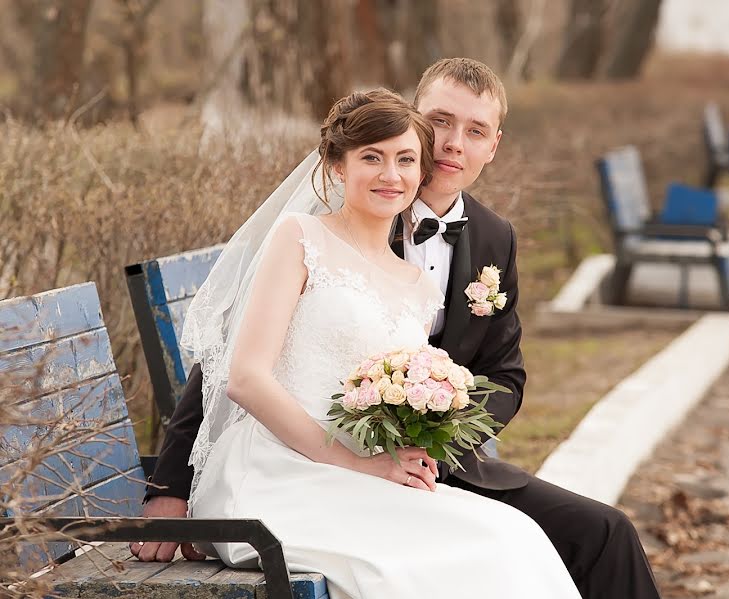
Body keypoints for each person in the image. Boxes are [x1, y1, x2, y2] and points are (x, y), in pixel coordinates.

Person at [136, 58, 660, 599]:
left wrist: (440, 429)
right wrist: (170, 485)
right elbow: (230, 362)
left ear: (492, 145)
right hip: (311, 461)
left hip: (435, 461)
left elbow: (504, 376)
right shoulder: (321, 229)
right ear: (412, 119)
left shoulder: (490, 238)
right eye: (440, 122)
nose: (454, 143)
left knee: (604, 533)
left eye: (475, 131)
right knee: (478, 558)